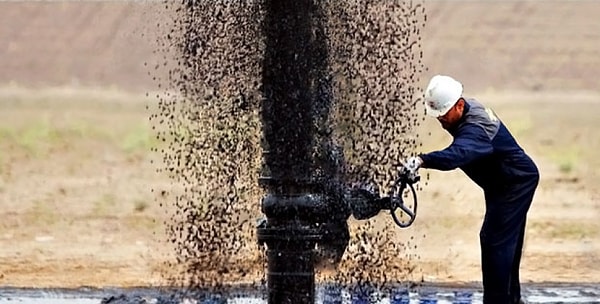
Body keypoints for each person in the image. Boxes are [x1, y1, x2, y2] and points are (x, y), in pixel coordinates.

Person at [402, 75, 540, 304]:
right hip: (502, 184)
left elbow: (457, 155)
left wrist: (422, 160)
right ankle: (511, 300)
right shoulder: (466, 111)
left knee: (495, 241)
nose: (442, 121)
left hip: (513, 185)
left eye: (444, 115)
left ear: (459, 105)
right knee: (506, 242)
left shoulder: (476, 128)